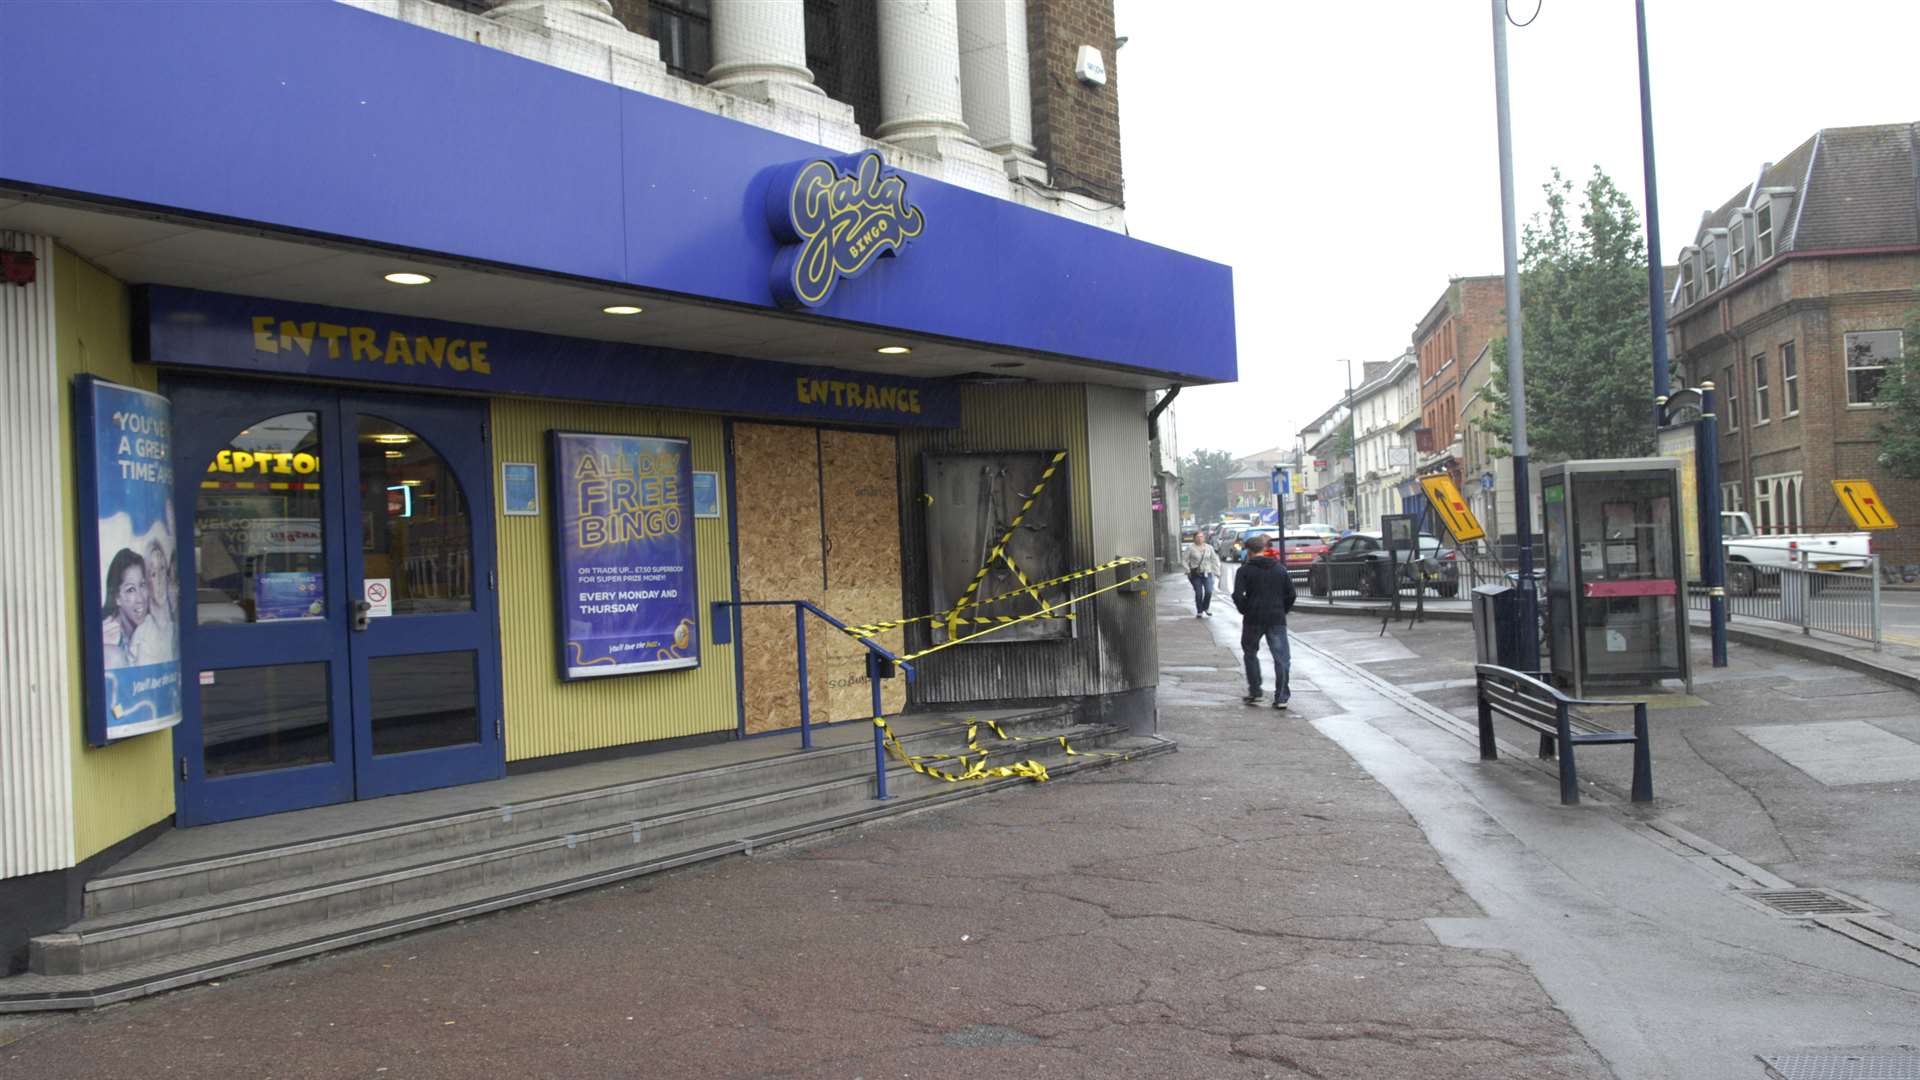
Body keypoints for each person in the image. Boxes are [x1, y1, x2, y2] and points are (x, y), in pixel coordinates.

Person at [1230, 533, 1296, 709]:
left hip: (1253, 618)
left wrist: (1245, 609)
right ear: (1264, 549)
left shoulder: (1244, 571)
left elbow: (1237, 595)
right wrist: (1283, 610)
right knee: (1281, 658)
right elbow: (1291, 594)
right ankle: (1281, 697)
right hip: (1276, 618)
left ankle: (1256, 692)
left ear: (1249, 551)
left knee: (1250, 653)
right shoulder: (1279, 569)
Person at [101, 548, 151, 670]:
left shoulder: (146, 627)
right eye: (130, 590)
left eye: (142, 585)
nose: (140, 598)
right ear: (117, 597)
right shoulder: (109, 638)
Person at [1183, 533, 1221, 617]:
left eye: (1201, 537)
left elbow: (1214, 560)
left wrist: (1217, 572)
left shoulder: (1209, 547)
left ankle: (1206, 607)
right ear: (1194, 538)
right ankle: (1199, 611)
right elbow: (1184, 560)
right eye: (1198, 537)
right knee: (1199, 593)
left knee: (1209, 591)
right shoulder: (1190, 548)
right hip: (1195, 574)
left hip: (1207, 572)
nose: (1200, 538)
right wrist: (1188, 570)